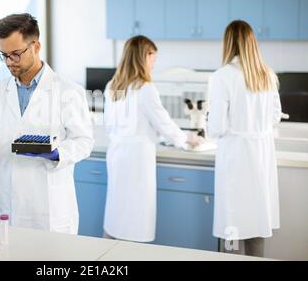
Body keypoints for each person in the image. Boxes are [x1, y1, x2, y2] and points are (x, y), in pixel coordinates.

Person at [0, 13, 94, 234]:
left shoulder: (68, 91)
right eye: (4, 55)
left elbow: (84, 141)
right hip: (6, 206)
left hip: (47, 209)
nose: (9, 62)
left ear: (35, 46)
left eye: (15, 54)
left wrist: (57, 153)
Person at [103, 35, 202, 242]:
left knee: (118, 213)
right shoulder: (145, 88)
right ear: (143, 57)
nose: (154, 62)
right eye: (152, 57)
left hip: (117, 155)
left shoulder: (113, 85)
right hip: (137, 160)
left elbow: (111, 124)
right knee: (136, 218)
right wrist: (185, 139)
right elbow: (163, 122)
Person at [207, 20, 282, 257]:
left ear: (227, 43)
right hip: (261, 158)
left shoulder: (222, 76)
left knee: (232, 225)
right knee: (256, 224)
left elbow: (217, 127)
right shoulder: (267, 74)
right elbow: (275, 116)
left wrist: (210, 120)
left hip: (236, 158)